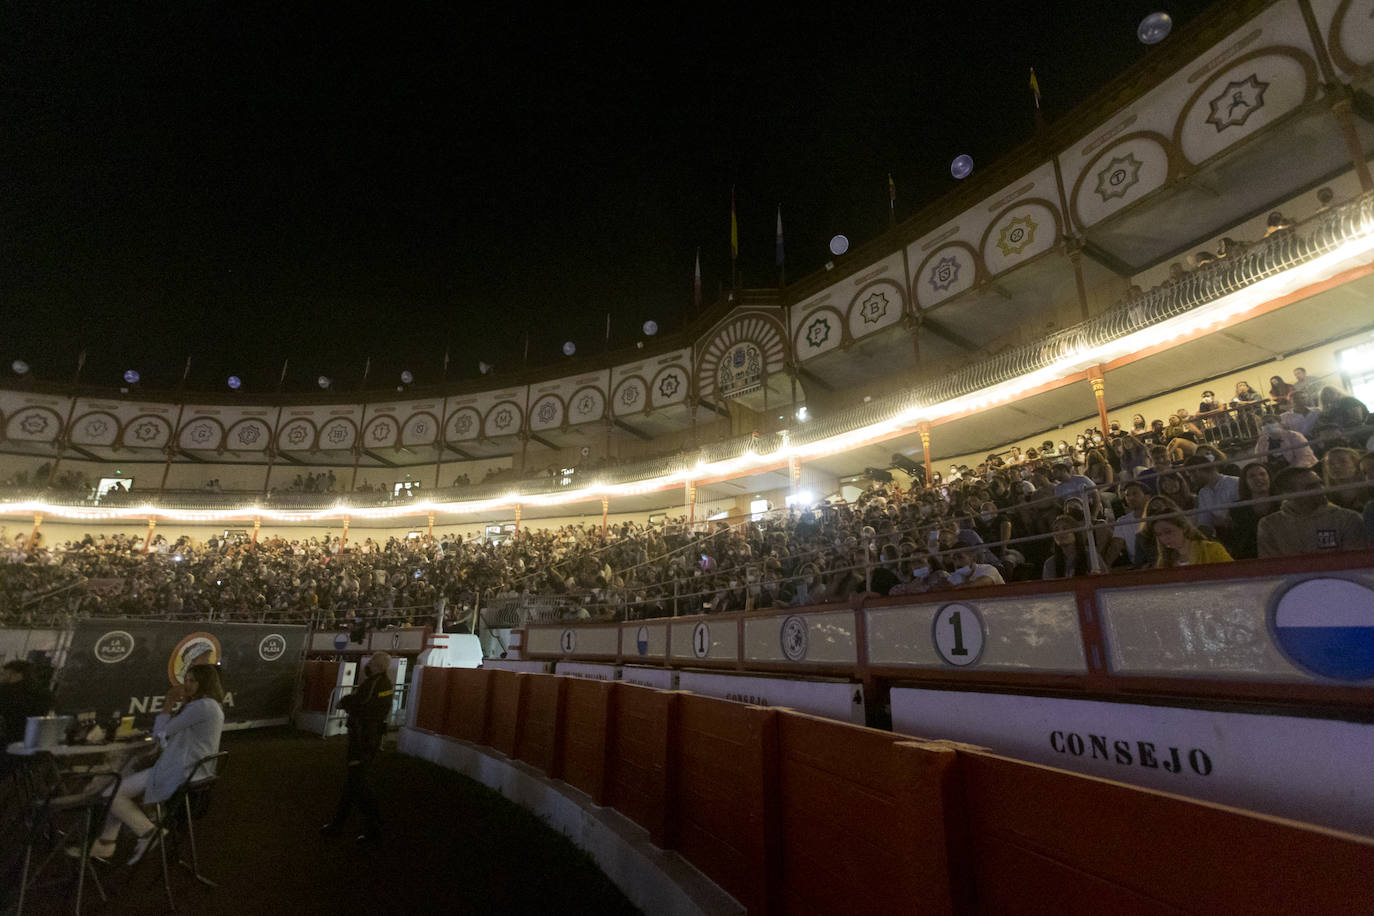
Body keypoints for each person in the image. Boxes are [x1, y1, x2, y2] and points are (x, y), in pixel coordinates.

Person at [87, 663, 225, 865]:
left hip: (180, 772)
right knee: (122, 783)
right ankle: (106, 842)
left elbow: (161, 733)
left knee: (112, 793)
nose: (187, 684)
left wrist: (168, 703)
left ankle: (147, 832)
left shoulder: (202, 706)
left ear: (205, 683)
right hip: (193, 771)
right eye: (186, 679)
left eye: (192, 680)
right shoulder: (210, 706)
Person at [322, 651, 393, 846]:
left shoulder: (374, 684)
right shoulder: (384, 684)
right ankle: (340, 824)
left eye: (371, 662)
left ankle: (373, 825)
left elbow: (362, 705)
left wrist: (346, 702)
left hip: (362, 740)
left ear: (376, 665)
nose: (368, 665)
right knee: (353, 783)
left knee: (357, 783)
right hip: (369, 738)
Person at [1257, 467, 1371, 557]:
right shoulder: (1269, 525)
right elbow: (1272, 566)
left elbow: (1355, 564)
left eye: (1320, 483)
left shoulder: (1348, 519)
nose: (1321, 489)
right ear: (1287, 493)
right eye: (1311, 487)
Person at [1150, 510, 1233, 568]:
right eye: (1159, 534)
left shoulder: (1211, 550)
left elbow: (1232, 575)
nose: (1164, 538)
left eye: (1168, 532)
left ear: (1184, 528)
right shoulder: (1164, 562)